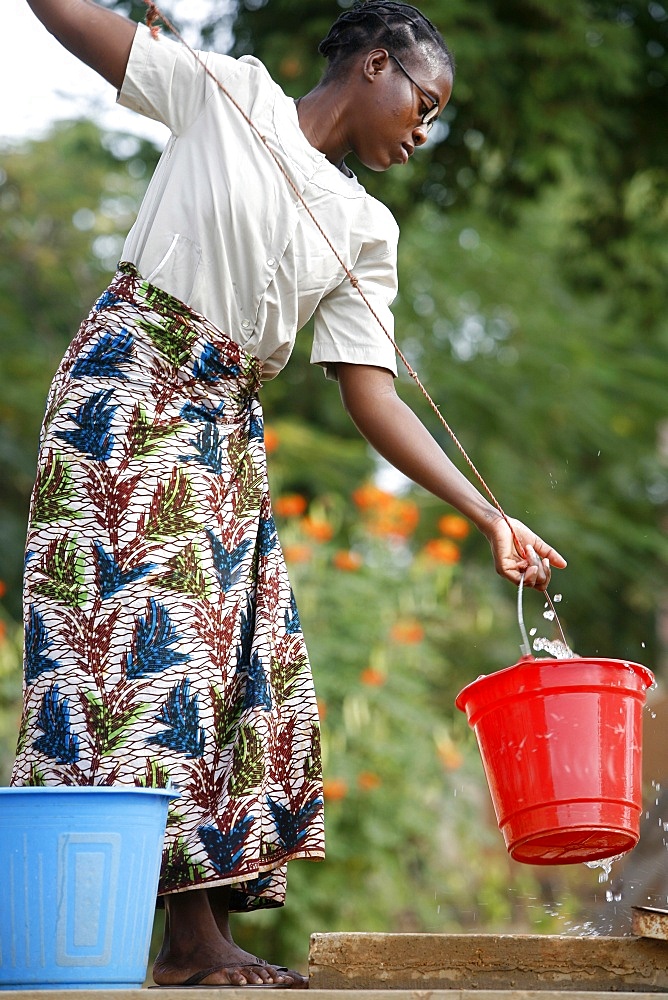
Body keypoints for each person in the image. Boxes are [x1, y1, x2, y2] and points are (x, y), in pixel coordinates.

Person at [14, 0, 567, 988]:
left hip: (224, 419)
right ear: (373, 67)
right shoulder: (223, 93)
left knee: (237, 659)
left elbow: (373, 398)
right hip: (128, 386)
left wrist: (485, 511)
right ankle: (172, 937)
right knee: (147, 646)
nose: (422, 128)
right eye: (422, 102)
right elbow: (62, 16)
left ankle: (195, 934)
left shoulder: (363, 225)